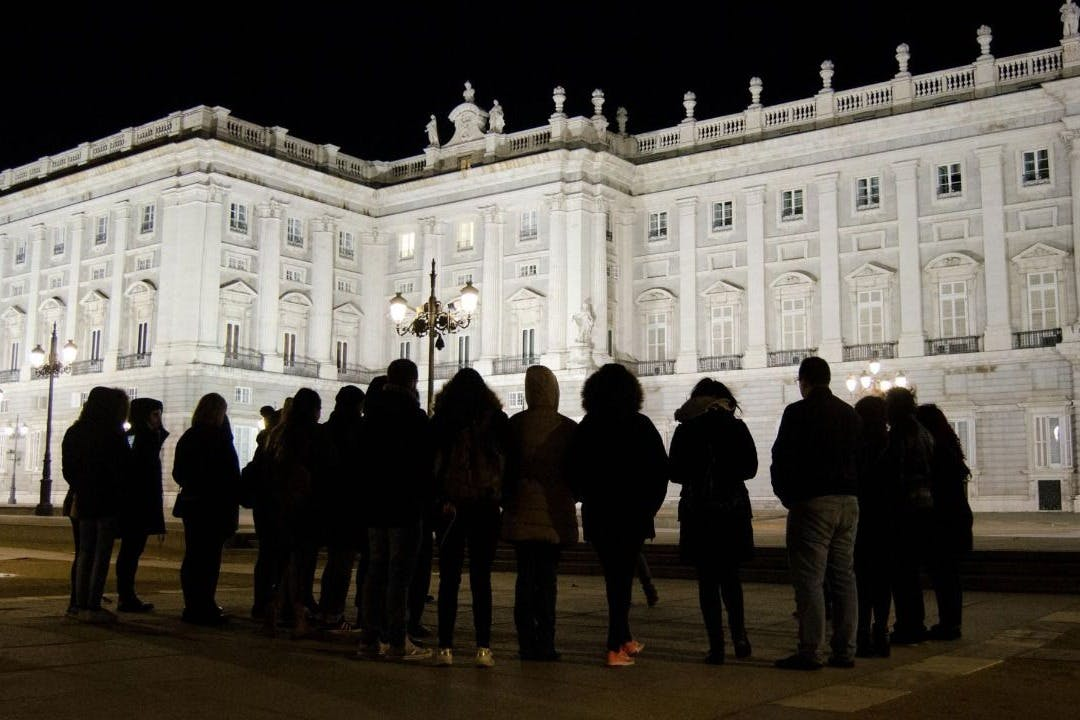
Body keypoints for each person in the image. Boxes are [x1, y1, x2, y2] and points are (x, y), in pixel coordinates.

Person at [568, 363, 668, 668]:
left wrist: (586, 498)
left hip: (600, 514)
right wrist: (648, 508)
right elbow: (660, 472)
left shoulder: (587, 426)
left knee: (617, 578)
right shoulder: (641, 425)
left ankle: (624, 638)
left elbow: (573, 471)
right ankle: (614, 648)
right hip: (633, 514)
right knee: (620, 582)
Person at [771, 356, 860, 670]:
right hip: (849, 502)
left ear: (804, 381)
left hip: (812, 502)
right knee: (844, 578)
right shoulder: (849, 413)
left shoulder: (797, 412)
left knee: (810, 580)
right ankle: (846, 650)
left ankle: (812, 650)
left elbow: (780, 457)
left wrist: (788, 496)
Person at [669, 378, 757, 664]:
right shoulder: (736, 427)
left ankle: (716, 645)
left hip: (699, 511)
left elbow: (675, 473)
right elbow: (750, 468)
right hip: (731, 509)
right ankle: (740, 636)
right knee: (731, 578)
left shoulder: (686, 429)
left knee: (707, 581)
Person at [431, 367, 510, 668]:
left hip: (450, 507)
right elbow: (508, 461)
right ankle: (483, 648)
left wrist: (438, 500)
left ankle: (445, 647)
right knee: (481, 577)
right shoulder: (496, 420)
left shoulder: (442, 420)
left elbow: (432, 465)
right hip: (485, 506)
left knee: (449, 578)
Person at [501, 365, 578, 661]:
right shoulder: (567, 428)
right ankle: (546, 642)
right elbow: (576, 474)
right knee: (548, 582)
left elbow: (504, 471)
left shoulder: (514, 425)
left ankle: (525, 642)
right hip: (554, 514)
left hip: (520, 513)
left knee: (524, 579)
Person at [358, 360, 432, 662]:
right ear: (413, 383)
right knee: (400, 576)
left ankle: (369, 639)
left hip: (375, 506)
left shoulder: (371, 417)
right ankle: (399, 641)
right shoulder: (414, 418)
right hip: (404, 506)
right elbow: (425, 465)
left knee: (375, 571)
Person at [264, 388, 331, 637]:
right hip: (307, 507)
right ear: (314, 409)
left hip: (280, 506)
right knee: (303, 565)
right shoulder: (315, 434)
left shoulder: (277, 434)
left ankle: (272, 611)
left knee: (281, 563)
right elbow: (325, 470)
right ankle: (299, 618)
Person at [62, 386, 130, 623]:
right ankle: (93, 604)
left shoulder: (74, 432)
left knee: (84, 553)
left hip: (83, 499)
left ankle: (79, 604)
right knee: (101, 554)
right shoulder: (113, 434)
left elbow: (68, 469)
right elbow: (124, 468)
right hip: (107, 500)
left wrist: (82, 486)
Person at [172, 392, 241, 626]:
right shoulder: (220, 439)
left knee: (193, 556)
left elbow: (177, 473)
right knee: (209, 559)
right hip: (214, 506)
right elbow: (231, 475)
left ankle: (192, 605)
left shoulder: (189, 436)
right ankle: (205, 605)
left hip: (192, 505)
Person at [916, 403, 973, 641]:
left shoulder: (935, 452)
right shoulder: (949, 449)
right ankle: (951, 623)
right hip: (957, 518)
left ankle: (949, 625)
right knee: (948, 576)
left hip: (943, 521)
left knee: (944, 575)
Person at [884, 387, 935, 646]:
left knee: (902, 571)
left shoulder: (900, 435)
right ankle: (915, 622)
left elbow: (893, 473)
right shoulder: (923, 432)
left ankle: (908, 625)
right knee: (911, 571)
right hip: (925, 505)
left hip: (904, 509)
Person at [318, 385, 365, 632]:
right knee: (343, 564)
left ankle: (327, 609)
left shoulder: (325, 430)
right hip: (348, 505)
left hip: (328, 504)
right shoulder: (356, 431)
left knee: (334, 562)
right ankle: (334, 613)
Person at [116, 397, 168, 613]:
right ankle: (126, 596)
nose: (159, 419)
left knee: (131, 552)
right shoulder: (140, 438)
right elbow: (142, 474)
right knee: (130, 552)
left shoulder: (142, 437)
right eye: (155, 414)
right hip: (137, 504)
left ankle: (126, 594)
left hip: (140, 502)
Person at [853, 395, 891, 658]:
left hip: (863, 516)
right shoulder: (892, 443)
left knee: (862, 580)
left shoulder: (857, 446)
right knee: (883, 581)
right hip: (889, 518)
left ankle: (862, 634)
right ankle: (882, 632)